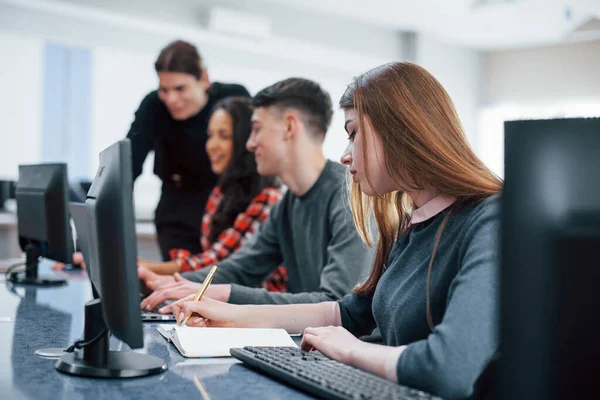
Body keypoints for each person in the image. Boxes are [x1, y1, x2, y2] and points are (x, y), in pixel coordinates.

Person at [165, 62, 502, 399]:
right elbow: (346, 313)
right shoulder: (414, 224)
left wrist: (351, 351)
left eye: (353, 133)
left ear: (400, 130)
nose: (344, 155)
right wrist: (232, 316)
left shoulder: (490, 220)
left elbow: (449, 367)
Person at [139, 77, 374, 311]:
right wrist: (171, 283)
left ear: (289, 127)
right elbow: (240, 268)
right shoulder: (286, 206)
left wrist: (225, 294)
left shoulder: (350, 194)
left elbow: (337, 303)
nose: (250, 144)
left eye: (256, 129)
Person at [138, 96, 286, 291]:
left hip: (259, 308)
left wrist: (146, 269)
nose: (212, 145)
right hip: (226, 298)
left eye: (223, 136)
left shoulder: (268, 198)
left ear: (244, 141)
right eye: (210, 135)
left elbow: (220, 262)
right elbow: (209, 259)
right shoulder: (220, 193)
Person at [128, 40, 250, 260]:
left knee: (217, 278)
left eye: (180, 88)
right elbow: (127, 168)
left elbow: (252, 156)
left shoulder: (232, 99)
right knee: (182, 281)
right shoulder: (153, 106)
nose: (171, 99)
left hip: (226, 206)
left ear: (203, 79)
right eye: (164, 90)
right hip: (176, 210)